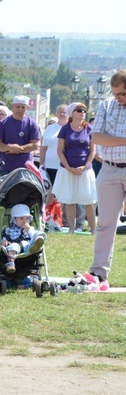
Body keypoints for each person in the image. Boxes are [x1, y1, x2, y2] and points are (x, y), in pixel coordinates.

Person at [89, 70, 126, 283]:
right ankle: (99, 272)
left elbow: (106, 138)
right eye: (115, 94)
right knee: (105, 223)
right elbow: (97, 137)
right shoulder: (106, 105)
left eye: (122, 94)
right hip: (109, 169)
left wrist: (114, 139)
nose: (118, 98)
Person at [52, 102, 97, 235]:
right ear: (72, 113)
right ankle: (71, 229)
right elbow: (60, 150)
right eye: (79, 110)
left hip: (85, 169)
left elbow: (92, 151)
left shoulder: (89, 129)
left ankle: (93, 230)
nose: (82, 112)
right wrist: (68, 167)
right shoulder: (65, 129)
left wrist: (85, 166)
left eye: (84, 110)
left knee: (89, 200)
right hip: (67, 169)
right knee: (69, 200)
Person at [0, 95, 41, 177]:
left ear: (27, 108)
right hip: (7, 165)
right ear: (13, 106)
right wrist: (9, 147)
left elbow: (35, 145)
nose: (20, 109)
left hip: (26, 166)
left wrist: (18, 149)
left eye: (23, 107)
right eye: (18, 107)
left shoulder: (32, 124)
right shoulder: (3, 123)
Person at [1, 204, 46, 273]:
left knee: (39, 234)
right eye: (21, 218)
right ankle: (10, 263)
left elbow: (33, 234)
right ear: (14, 219)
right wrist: (4, 242)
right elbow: (5, 237)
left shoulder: (30, 229)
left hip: (29, 246)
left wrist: (28, 229)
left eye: (27, 218)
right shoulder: (9, 229)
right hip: (16, 246)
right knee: (13, 246)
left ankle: (37, 243)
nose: (24, 221)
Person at [40, 104, 69, 198]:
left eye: (64, 112)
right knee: (52, 191)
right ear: (56, 114)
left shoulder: (71, 128)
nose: (62, 114)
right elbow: (43, 148)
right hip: (50, 165)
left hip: (66, 165)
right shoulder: (50, 128)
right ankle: (50, 211)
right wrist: (41, 164)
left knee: (64, 192)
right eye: (59, 112)